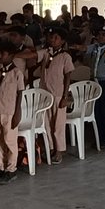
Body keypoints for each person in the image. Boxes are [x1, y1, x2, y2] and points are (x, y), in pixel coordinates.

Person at [0, 43, 25, 185]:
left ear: (12, 55)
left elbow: (20, 93)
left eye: (2, 54)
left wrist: (17, 113)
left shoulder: (17, 73)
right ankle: (0, 167)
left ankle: (11, 169)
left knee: (10, 141)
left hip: (9, 111)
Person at [36, 27, 74, 164]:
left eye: (56, 38)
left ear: (62, 41)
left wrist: (65, 97)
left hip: (58, 94)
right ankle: (51, 148)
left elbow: (68, 76)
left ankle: (59, 150)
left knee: (58, 124)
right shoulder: (46, 53)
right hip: (46, 94)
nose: (52, 39)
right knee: (47, 123)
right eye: (51, 37)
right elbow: (35, 57)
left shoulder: (65, 56)